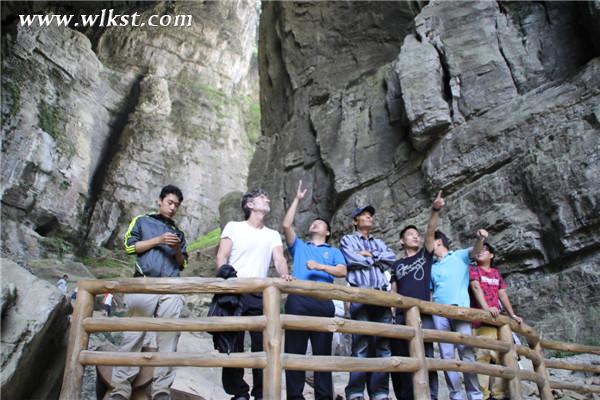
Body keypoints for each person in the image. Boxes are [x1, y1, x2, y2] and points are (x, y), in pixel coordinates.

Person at [109, 185, 187, 400]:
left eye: (176, 205)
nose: (172, 208)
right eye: (170, 203)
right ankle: (120, 388)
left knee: (169, 337)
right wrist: (159, 240)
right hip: (143, 282)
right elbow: (129, 247)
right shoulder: (142, 221)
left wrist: (177, 249)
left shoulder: (178, 233)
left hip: (171, 286)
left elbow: (182, 264)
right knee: (133, 334)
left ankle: (162, 390)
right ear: (160, 201)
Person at [216, 188, 292, 400]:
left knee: (263, 344)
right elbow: (222, 256)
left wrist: (284, 275)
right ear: (249, 204)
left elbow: (278, 259)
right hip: (236, 290)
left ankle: (261, 392)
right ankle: (238, 391)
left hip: (261, 294)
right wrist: (225, 280)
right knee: (233, 344)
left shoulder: (272, 234)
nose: (267, 199)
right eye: (262, 197)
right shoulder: (234, 227)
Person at [282, 180, 347, 400]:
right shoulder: (300, 246)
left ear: (327, 232)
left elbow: (342, 271)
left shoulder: (334, 251)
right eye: (313, 222)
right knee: (294, 354)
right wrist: (297, 200)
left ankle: (324, 397)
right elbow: (286, 226)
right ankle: (294, 397)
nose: (315, 224)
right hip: (298, 301)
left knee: (322, 356)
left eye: (319, 223)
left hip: (323, 303)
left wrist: (320, 266)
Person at [390, 191, 444, 400]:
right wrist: (393, 316)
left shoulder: (425, 255)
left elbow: (430, 231)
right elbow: (393, 291)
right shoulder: (397, 264)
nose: (416, 236)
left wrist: (435, 210)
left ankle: (431, 397)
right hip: (402, 318)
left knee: (427, 359)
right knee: (405, 361)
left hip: (424, 316)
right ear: (402, 241)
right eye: (410, 234)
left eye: (416, 234)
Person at [341, 205, 395, 400]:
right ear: (355, 221)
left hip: (381, 296)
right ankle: (355, 392)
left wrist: (369, 256)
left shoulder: (379, 242)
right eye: (364, 215)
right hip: (360, 296)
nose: (369, 218)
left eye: (370, 215)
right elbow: (350, 259)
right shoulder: (348, 239)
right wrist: (375, 259)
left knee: (383, 347)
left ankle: (380, 393)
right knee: (361, 346)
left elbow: (391, 258)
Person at [430, 229, 486, 400]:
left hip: (460, 309)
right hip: (439, 312)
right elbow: (432, 292)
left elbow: (475, 252)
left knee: (466, 352)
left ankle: (475, 395)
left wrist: (481, 238)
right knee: (446, 356)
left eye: (429, 240)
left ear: (438, 241)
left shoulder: (458, 256)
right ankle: (456, 396)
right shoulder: (431, 266)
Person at [469, 242, 523, 400]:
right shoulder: (473, 269)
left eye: (485, 251)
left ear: (491, 255)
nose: (480, 252)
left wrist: (512, 315)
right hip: (480, 320)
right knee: (483, 355)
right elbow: (476, 287)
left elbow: (503, 294)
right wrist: (486, 308)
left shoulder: (495, 273)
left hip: (497, 321)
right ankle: (483, 396)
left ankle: (498, 394)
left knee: (500, 356)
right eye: (479, 250)